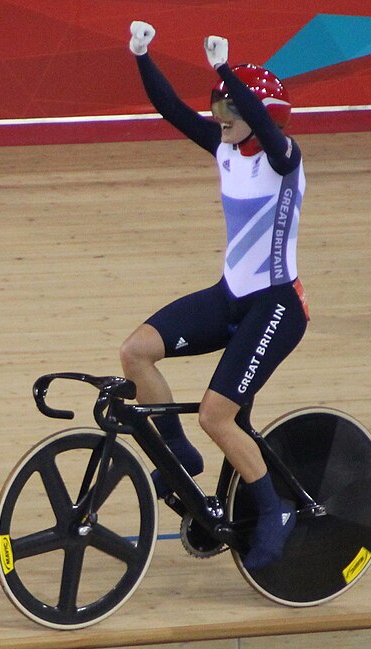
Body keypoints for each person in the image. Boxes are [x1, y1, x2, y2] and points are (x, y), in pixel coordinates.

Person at [121, 21, 310, 570]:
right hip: (230, 296)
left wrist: (225, 71)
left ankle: (273, 511)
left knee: (218, 416)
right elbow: (171, 110)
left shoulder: (284, 158)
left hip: (276, 307)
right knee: (136, 352)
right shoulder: (225, 147)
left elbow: (271, 137)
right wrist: (142, 55)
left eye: (230, 110)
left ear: (262, 117)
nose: (218, 120)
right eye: (219, 109)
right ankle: (177, 451)